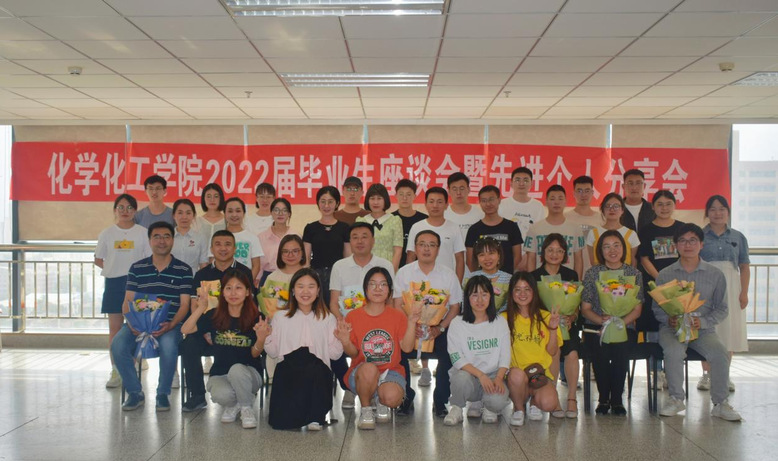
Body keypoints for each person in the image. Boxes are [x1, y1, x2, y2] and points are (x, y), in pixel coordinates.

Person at [655, 224, 741, 422]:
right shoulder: (665, 274)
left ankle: (720, 404)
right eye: (682, 241)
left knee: (720, 352)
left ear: (701, 244)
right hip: (672, 329)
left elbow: (722, 308)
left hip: (703, 330)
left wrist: (701, 322)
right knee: (673, 352)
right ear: (675, 245)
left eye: (693, 240)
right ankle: (676, 399)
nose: (688, 245)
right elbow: (656, 309)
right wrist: (668, 319)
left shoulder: (715, 274)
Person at [111, 222, 194, 411]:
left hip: (169, 325)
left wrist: (171, 324)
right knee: (117, 345)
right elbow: (127, 301)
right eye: (157, 237)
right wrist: (132, 323)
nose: (162, 241)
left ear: (172, 240)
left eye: (166, 236)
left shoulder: (183, 270)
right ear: (150, 240)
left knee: (169, 345)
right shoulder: (137, 268)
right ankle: (135, 392)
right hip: (136, 325)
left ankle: (162, 394)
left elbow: (185, 305)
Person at [256, 268, 344, 431]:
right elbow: (273, 352)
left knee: (313, 365)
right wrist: (264, 337)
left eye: (311, 286)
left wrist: (342, 339)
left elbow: (335, 355)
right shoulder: (280, 317)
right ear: (292, 290)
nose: (305, 291)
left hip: (318, 376)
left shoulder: (327, 318)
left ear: (318, 291)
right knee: (282, 423)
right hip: (290, 374)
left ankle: (315, 417)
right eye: (300, 286)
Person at [181, 230, 254, 413]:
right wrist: (204, 331)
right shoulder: (201, 274)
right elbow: (194, 304)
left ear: (235, 248)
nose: (223, 248)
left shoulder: (244, 272)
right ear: (211, 249)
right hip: (206, 328)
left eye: (228, 244)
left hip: (235, 330)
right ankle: (197, 395)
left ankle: (240, 391)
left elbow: (250, 304)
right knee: (189, 344)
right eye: (218, 244)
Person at [338, 267, 419, 430]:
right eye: (372, 284)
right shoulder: (353, 316)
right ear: (365, 288)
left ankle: (381, 401)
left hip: (390, 372)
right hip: (362, 374)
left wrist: (411, 322)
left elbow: (407, 348)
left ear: (389, 290)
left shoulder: (398, 316)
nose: (377, 289)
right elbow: (353, 353)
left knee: (392, 397)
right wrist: (346, 342)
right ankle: (366, 409)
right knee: (369, 369)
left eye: (383, 284)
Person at [394, 230, 464, 418]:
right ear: (415, 248)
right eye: (422, 244)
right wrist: (411, 326)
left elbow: (455, 307)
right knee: (397, 352)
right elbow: (397, 305)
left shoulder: (448, 275)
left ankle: (440, 400)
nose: (426, 249)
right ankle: (405, 397)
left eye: (432, 245)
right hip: (409, 327)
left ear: (438, 250)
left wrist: (439, 328)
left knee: (448, 352)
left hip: (438, 328)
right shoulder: (404, 272)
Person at [182, 269, 263, 429]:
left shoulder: (256, 317)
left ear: (248, 292)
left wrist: (261, 339)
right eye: (228, 288)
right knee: (220, 394)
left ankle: (246, 408)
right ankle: (235, 404)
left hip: (249, 374)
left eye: (238, 288)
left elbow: (255, 353)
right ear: (223, 293)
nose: (233, 293)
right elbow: (186, 329)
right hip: (221, 373)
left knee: (236, 370)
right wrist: (201, 308)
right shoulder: (215, 315)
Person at [329, 222, 395, 409]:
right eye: (355, 237)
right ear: (349, 242)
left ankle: (374, 386)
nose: (359, 241)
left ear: (373, 240)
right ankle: (350, 387)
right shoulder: (339, 266)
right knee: (333, 345)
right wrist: (342, 322)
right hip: (347, 322)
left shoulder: (385, 265)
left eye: (364, 237)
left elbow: (390, 300)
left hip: (378, 322)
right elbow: (333, 302)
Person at [581, 230, 643, 416]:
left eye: (616, 245)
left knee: (620, 350)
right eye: (606, 247)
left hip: (625, 326)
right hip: (596, 326)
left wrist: (618, 323)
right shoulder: (592, 273)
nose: (612, 250)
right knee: (599, 351)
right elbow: (585, 308)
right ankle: (603, 399)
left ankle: (616, 399)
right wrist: (602, 321)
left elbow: (637, 309)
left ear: (624, 248)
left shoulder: (634, 273)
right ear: (600, 251)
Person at [95, 194, 151, 389]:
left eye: (129, 208)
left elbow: (149, 260)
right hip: (114, 284)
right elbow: (98, 259)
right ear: (115, 210)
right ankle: (115, 370)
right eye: (121, 207)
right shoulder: (107, 233)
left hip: (137, 285)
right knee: (115, 329)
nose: (125, 211)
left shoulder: (142, 233)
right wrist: (114, 269)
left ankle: (131, 368)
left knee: (135, 329)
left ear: (135, 211)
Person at [698, 195, 750, 392]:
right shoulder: (700, 235)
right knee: (708, 330)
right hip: (705, 286)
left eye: (722, 209)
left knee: (728, 331)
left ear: (728, 212)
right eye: (713, 209)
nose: (717, 213)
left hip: (732, 287)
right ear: (707, 213)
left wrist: (744, 293)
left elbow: (744, 266)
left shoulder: (738, 236)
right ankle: (706, 375)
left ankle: (724, 375)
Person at [444, 276, 511, 426]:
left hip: (493, 376)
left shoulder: (500, 322)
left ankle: (489, 406)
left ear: (491, 297)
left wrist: (499, 378)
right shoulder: (457, 323)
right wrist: (480, 375)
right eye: (474, 295)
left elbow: (505, 355)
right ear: (467, 298)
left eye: (484, 294)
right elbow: (456, 358)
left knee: (497, 401)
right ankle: (456, 408)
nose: (480, 300)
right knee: (460, 378)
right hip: (470, 376)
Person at [503, 272, 563, 426]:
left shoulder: (547, 317)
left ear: (534, 292)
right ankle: (519, 409)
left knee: (550, 403)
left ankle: (534, 403)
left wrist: (553, 329)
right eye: (517, 289)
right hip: (516, 378)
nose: (522, 294)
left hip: (539, 376)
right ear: (511, 293)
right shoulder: (504, 319)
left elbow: (552, 351)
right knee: (516, 375)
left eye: (527, 289)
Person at [530, 233, 580, 417]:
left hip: (566, 326)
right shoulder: (534, 276)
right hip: (543, 329)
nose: (554, 254)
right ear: (543, 252)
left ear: (565, 254)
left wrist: (572, 317)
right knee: (554, 352)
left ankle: (572, 398)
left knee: (572, 353)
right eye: (550, 250)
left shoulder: (571, 275)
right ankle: (554, 399)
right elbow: (530, 307)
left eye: (559, 251)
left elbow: (576, 305)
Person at [637, 190, 685, 343]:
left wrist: (676, 281)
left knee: (677, 320)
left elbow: (686, 256)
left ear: (674, 205)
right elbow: (644, 258)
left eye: (668, 204)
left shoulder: (682, 229)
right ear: (653, 207)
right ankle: (653, 358)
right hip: (655, 283)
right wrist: (661, 279)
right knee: (654, 324)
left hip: (679, 283)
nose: (664, 208)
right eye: (660, 204)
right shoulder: (646, 230)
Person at [260, 234, 308, 386]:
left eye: (295, 251)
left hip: (305, 330)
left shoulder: (309, 276)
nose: (290, 255)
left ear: (302, 253)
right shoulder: (272, 277)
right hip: (279, 331)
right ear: (280, 254)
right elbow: (266, 307)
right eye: (286, 251)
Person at [303, 186, 352, 306]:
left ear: (337, 204)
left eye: (330, 202)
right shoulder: (310, 228)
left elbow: (348, 256)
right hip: (316, 275)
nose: (326, 205)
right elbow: (306, 258)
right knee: (317, 308)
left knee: (337, 307)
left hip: (338, 275)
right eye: (323, 201)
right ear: (318, 203)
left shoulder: (344, 228)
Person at [524, 185, 584, 279]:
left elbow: (578, 259)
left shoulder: (575, 229)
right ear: (546, 202)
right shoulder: (535, 228)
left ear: (565, 202)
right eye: (552, 199)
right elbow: (531, 258)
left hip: (567, 281)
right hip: (540, 280)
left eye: (560, 199)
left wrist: (577, 283)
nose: (556, 202)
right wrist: (531, 282)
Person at [406, 187, 466, 283]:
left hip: (446, 281)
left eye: (439, 202)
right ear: (425, 204)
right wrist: (410, 282)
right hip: (420, 282)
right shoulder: (416, 227)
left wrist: (457, 284)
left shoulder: (454, 228)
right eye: (431, 201)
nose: (435, 205)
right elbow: (411, 257)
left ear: (446, 205)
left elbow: (460, 259)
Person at [466, 185, 523, 274]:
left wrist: (505, 276)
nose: (488, 204)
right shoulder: (473, 230)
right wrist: (480, 277)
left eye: (491, 199)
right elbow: (470, 261)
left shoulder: (511, 227)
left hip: (506, 279)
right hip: (482, 279)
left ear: (499, 200)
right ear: (480, 203)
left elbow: (518, 257)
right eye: (484, 201)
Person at [356, 184, 403, 272]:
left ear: (385, 200)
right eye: (372, 198)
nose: (375, 202)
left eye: (379, 198)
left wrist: (391, 273)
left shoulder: (395, 220)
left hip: (388, 268)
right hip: (365, 269)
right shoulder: (361, 221)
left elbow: (398, 251)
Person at [586, 193, 641, 267]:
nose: (612, 209)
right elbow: (592, 261)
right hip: (600, 274)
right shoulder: (593, 233)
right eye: (608, 206)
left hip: (625, 274)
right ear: (602, 210)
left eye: (616, 206)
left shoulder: (631, 234)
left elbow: (634, 262)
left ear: (622, 210)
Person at [498, 166, 545, 253]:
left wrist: (528, 255)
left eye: (526, 180)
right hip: (505, 254)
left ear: (532, 183)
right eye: (517, 180)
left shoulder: (538, 206)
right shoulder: (501, 204)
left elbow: (540, 233)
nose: (521, 183)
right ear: (511, 183)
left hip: (530, 255)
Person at [564, 175, 603, 273]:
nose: (583, 194)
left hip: (596, 271)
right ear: (574, 193)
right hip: (571, 270)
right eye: (580, 191)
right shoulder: (565, 217)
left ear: (592, 193)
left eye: (587, 191)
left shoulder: (602, 219)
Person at [466, 237, 512, 313]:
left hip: (502, 319)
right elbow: (465, 307)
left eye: (491, 253)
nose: (487, 258)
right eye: (482, 255)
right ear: (477, 258)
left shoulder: (509, 279)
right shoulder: (470, 278)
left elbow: (511, 308)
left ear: (499, 255)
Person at [257, 198, 296, 288]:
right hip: (267, 278)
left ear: (289, 213)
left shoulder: (296, 236)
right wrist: (257, 279)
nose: (280, 213)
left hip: (291, 277)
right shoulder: (261, 237)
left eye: (284, 210)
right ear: (271, 213)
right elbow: (259, 263)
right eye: (276, 210)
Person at [224, 197, 263, 283]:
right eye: (230, 211)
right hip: (222, 284)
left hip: (245, 284)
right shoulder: (217, 237)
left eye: (238, 211)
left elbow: (256, 266)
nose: (234, 215)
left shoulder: (252, 238)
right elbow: (212, 262)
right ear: (225, 214)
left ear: (244, 213)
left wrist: (245, 284)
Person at [392, 179, 428, 268]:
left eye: (408, 194)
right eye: (401, 194)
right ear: (396, 196)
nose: (404, 198)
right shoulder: (390, 219)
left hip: (418, 268)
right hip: (394, 267)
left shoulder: (424, 219)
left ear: (414, 196)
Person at [444, 172, 484, 246]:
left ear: (468, 189)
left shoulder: (480, 214)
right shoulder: (443, 215)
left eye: (462, 188)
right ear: (449, 191)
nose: (458, 192)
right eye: (454, 189)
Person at [172, 198, 209, 275]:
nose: (184, 217)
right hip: (170, 278)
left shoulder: (200, 238)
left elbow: (203, 264)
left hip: (192, 278)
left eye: (188, 213)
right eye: (180, 213)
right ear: (174, 215)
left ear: (194, 215)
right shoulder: (167, 237)